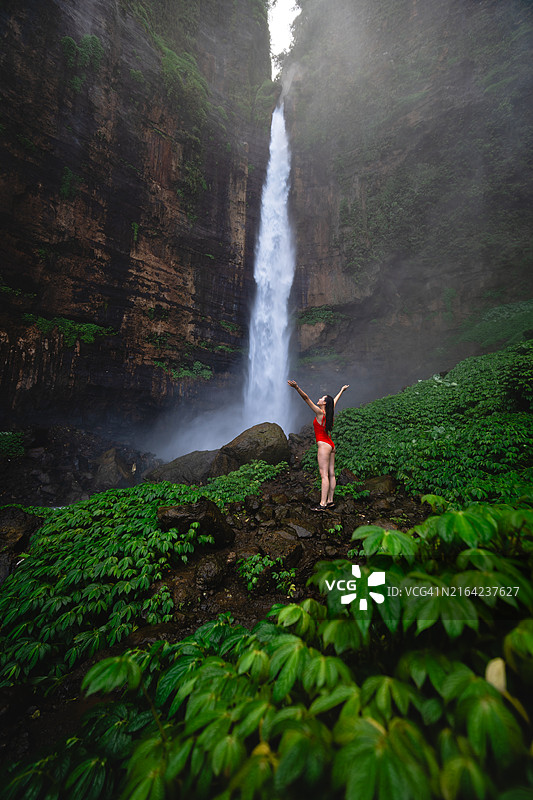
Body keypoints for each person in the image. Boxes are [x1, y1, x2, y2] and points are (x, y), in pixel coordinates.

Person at [288, 379, 349, 511]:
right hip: (331, 445)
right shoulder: (330, 413)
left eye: (322, 398)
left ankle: (322, 504)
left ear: (324, 403)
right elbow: (334, 401)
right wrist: (341, 391)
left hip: (324, 446)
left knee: (324, 475)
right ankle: (330, 501)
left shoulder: (320, 413)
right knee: (331, 474)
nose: (319, 399)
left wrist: (297, 387)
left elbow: (306, 398)